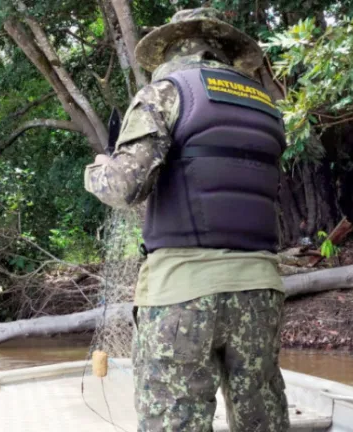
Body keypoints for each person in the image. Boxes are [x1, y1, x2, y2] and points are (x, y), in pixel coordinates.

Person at [85, 8, 289, 432]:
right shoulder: (266, 106)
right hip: (261, 292)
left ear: (172, 49)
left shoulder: (165, 92)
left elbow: (122, 188)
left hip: (181, 295)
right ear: (223, 51)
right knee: (262, 419)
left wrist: (98, 168)